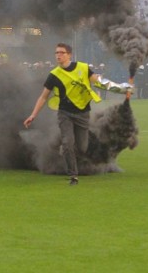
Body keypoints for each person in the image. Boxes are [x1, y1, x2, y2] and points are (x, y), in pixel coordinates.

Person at [23, 42, 104, 186]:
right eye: (56, 53)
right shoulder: (54, 75)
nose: (58, 55)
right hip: (65, 113)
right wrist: (33, 115)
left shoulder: (83, 68)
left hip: (83, 113)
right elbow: (43, 97)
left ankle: (66, 146)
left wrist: (122, 89)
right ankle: (73, 176)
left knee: (82, 148)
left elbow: (100, 83)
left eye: (62, 53)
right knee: (68, 143)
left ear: (69, 55)